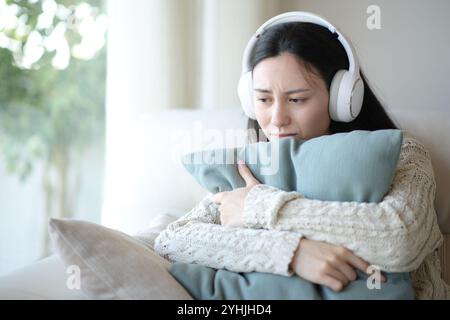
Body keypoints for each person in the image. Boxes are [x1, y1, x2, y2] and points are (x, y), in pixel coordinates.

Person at [153, 12, 450, 299]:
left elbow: (398, 238)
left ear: (341, 99)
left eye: (296, 99)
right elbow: (174, 241)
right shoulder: (258, 164)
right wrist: (293, 252)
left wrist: (263, 206)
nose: (277, 118)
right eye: (264, 99)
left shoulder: (405, 156)